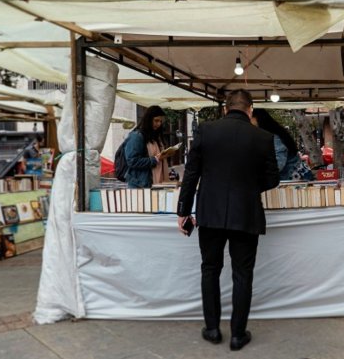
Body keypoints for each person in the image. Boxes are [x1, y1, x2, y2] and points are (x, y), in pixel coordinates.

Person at [177, 91, 279, 350]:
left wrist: (183, 211)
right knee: (242, 274)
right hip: (246, 212)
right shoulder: (263, 137)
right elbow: (272, 178)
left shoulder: (205, 131)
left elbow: (191, 174)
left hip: (209, 213)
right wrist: (248, 188)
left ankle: (212, 330)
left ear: (225, 109)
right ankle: (237, 335)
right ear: (250, 110)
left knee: (210, 269)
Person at [251, 109, 311, 181]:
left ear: (258, 118)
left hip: (294, 179)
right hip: (295, 177)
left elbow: (278, 163)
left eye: (250, 117)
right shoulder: (272, 135)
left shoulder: (274, 138)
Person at [124, 105, 167, 188]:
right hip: (140, 185)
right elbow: (132, 161)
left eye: (161, 121)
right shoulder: (136, 136)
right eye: (156, 120)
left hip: (153, 183)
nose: (158, 124)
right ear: (148, 119)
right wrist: (155, 159)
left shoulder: (155, 136)